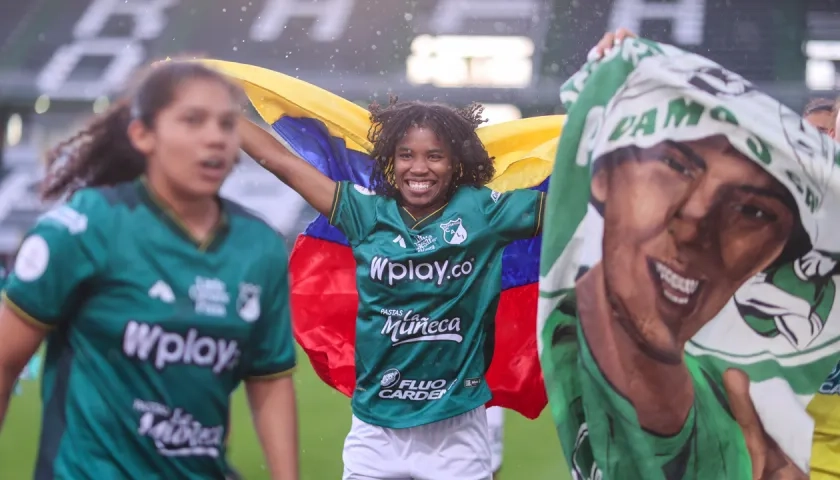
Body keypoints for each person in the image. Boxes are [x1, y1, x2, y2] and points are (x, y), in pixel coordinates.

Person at [0, 61, 300, 479]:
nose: (215, 137)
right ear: (143, 134)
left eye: (227, 124)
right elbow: (4, 360)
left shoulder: (260, 247)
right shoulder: (86, 227)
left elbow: (268, 380)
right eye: (192, 121)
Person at [238, 98, 545, 479]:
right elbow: (281, 162)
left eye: (435, 156)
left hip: (456, 429)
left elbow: (571, 204)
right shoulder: (365, 213)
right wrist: (221, 115)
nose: (419, 167)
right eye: (406, 155)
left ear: (454, 163)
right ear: (390, 160)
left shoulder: (483, 212)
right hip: (376, 430)